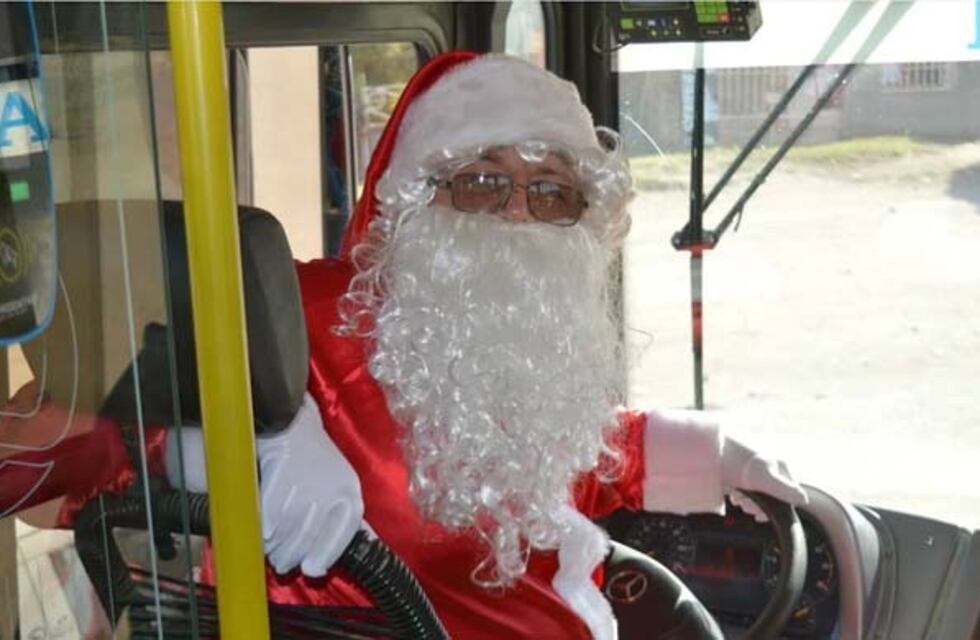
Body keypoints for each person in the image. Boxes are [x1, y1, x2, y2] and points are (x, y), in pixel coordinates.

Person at [168, 51, 805, 639]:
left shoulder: (526, 345)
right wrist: (243, 452)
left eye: (552, 191)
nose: (518, 214)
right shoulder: (306, 311)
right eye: (482, 183)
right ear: (420, 195)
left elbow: (568, 459)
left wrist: (716, 457)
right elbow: (104, 433)